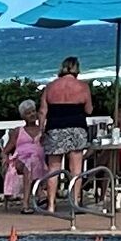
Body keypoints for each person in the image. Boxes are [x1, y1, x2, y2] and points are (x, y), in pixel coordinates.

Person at [38, 57, 96, 218]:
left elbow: (42, 111)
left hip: (55, 128)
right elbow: (89, 110)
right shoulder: (83, 87)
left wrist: (41, 131)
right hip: (77, 128)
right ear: (77, 69)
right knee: (76, 169)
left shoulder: (50, 87)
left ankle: (51, 205)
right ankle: (75, 203)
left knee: (53, 169)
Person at [2, 94, 49, 214]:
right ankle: (37, 195)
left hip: (39, 163)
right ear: (23, 117)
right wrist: (4, 159)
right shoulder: (18, 131)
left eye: (33, 111)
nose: (32, 114)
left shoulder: (42, 130)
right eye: (28, 113)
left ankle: (28, 203)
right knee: (29, 163)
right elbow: (6, 150)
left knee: (33, 162)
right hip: (20, 161)